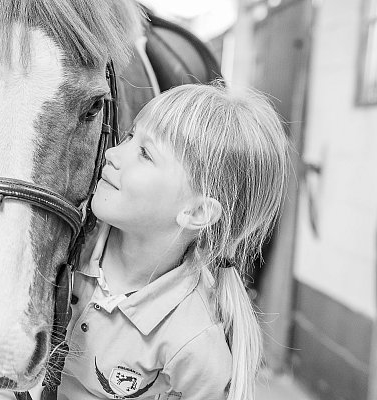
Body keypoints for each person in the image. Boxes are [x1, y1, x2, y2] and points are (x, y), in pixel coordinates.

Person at [57, 82, 289, 400]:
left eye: (145, 153)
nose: (111, 154)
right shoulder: (63, 241)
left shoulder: (195, 345)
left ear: (196, 212)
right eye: (129, 136)